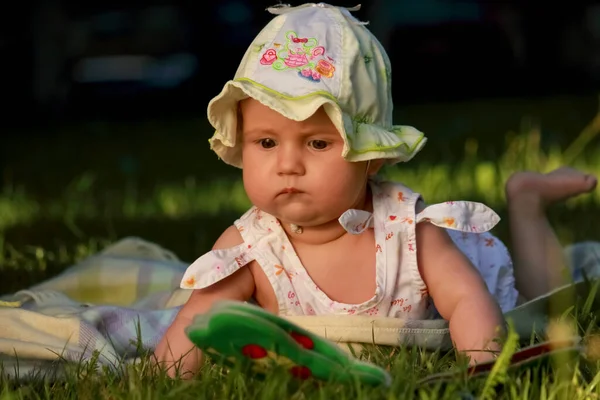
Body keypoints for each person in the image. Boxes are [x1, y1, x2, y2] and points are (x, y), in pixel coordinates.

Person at [153, 3, 598, 378]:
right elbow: (196, 318)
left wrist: (484, 368)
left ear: (372, 156)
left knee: (544, 305)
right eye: (266, 142)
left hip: (482, 294)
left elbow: (466, 299)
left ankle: (527, 201)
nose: (287, 164)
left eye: (318, 142)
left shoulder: (408, 230)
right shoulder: (248, 248)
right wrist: (154, 381)